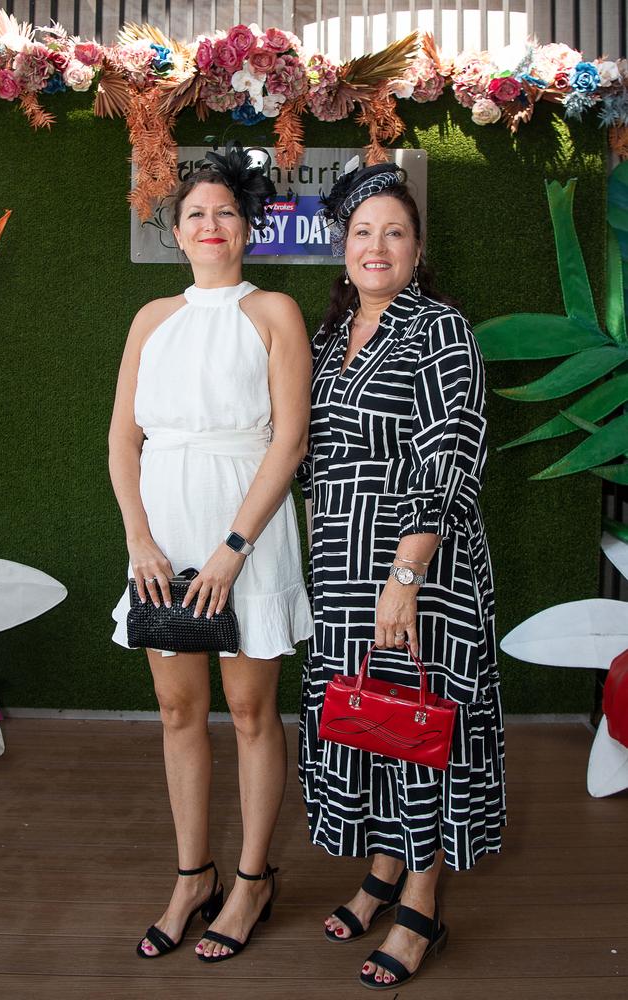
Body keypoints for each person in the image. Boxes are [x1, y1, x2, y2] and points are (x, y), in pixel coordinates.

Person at [298, 162, 506, 990]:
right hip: (342, 568)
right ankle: (384, 868)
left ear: (418, 250)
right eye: (361, 232)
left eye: (394, 232)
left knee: (426, 727)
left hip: (420, 566)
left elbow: (450, 452)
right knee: (373, 720)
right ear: (343, 250)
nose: (376, 246)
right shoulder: (329, 338)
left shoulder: (439, 330)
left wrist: (405, 576)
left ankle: (422, 901)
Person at [109, 142, 313, 964]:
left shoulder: (274, 313)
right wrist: (138, 539)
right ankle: (194, 876)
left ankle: (254, 879)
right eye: (195, 213)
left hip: (247, 539)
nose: (210, 224)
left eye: (225, 211)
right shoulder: (151, 319)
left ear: (248, 225)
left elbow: (289, 440)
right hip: (161, 541)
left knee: (253, 712)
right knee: (177, 710)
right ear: (178, 230)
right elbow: (123, 440)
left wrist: (234, 548)